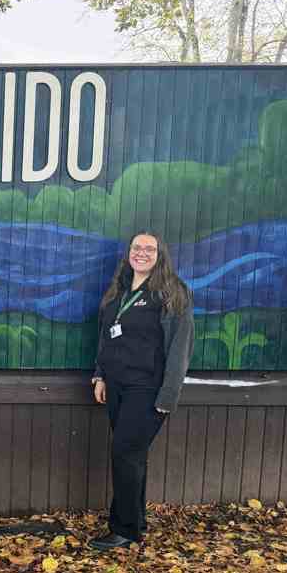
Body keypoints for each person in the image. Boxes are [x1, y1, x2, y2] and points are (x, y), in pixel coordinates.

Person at [89, 232, 194, 551]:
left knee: (125, 453)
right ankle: (135, 519)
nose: (142, 253)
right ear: (129, 253)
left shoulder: (171, 292)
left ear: (161, 255)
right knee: (133, 456)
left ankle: (125, 530)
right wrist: (100, 375)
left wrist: (168, 395)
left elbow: (180, 348)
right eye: (137, 248)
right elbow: (106, 336)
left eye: (150, 249)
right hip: (116, 385)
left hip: (147, 388)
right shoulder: (119, 290)